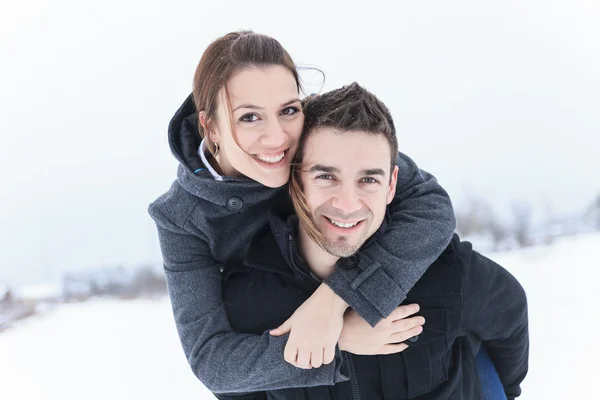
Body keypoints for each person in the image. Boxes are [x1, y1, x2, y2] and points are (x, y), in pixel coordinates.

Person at [148, 31, 456, 393]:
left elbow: (431, 206)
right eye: (249, 118)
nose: (277, 137)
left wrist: (336, 299)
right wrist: (335, 340)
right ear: (210, 127)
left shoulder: (314, 134)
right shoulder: (181, 218)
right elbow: (212, 360)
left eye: (288, 110)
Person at [220, 83, 529, 399]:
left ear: (392, 185)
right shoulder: (249, 298)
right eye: (326, 176)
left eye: (368, 180)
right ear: (296, 178)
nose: (347, 203)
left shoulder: (442, 269)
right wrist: (334, 339)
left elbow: (511, 314)